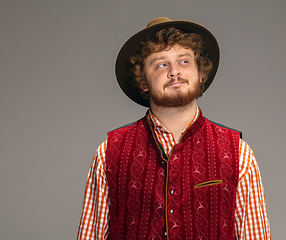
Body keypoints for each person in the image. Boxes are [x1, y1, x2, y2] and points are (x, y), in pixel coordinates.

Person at [77, 17, 271, 240]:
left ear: (200, 76)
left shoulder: (238, 153)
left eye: (184, 61)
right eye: (161, 64)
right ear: (143, 82)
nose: (174, 72)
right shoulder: (108, 154)